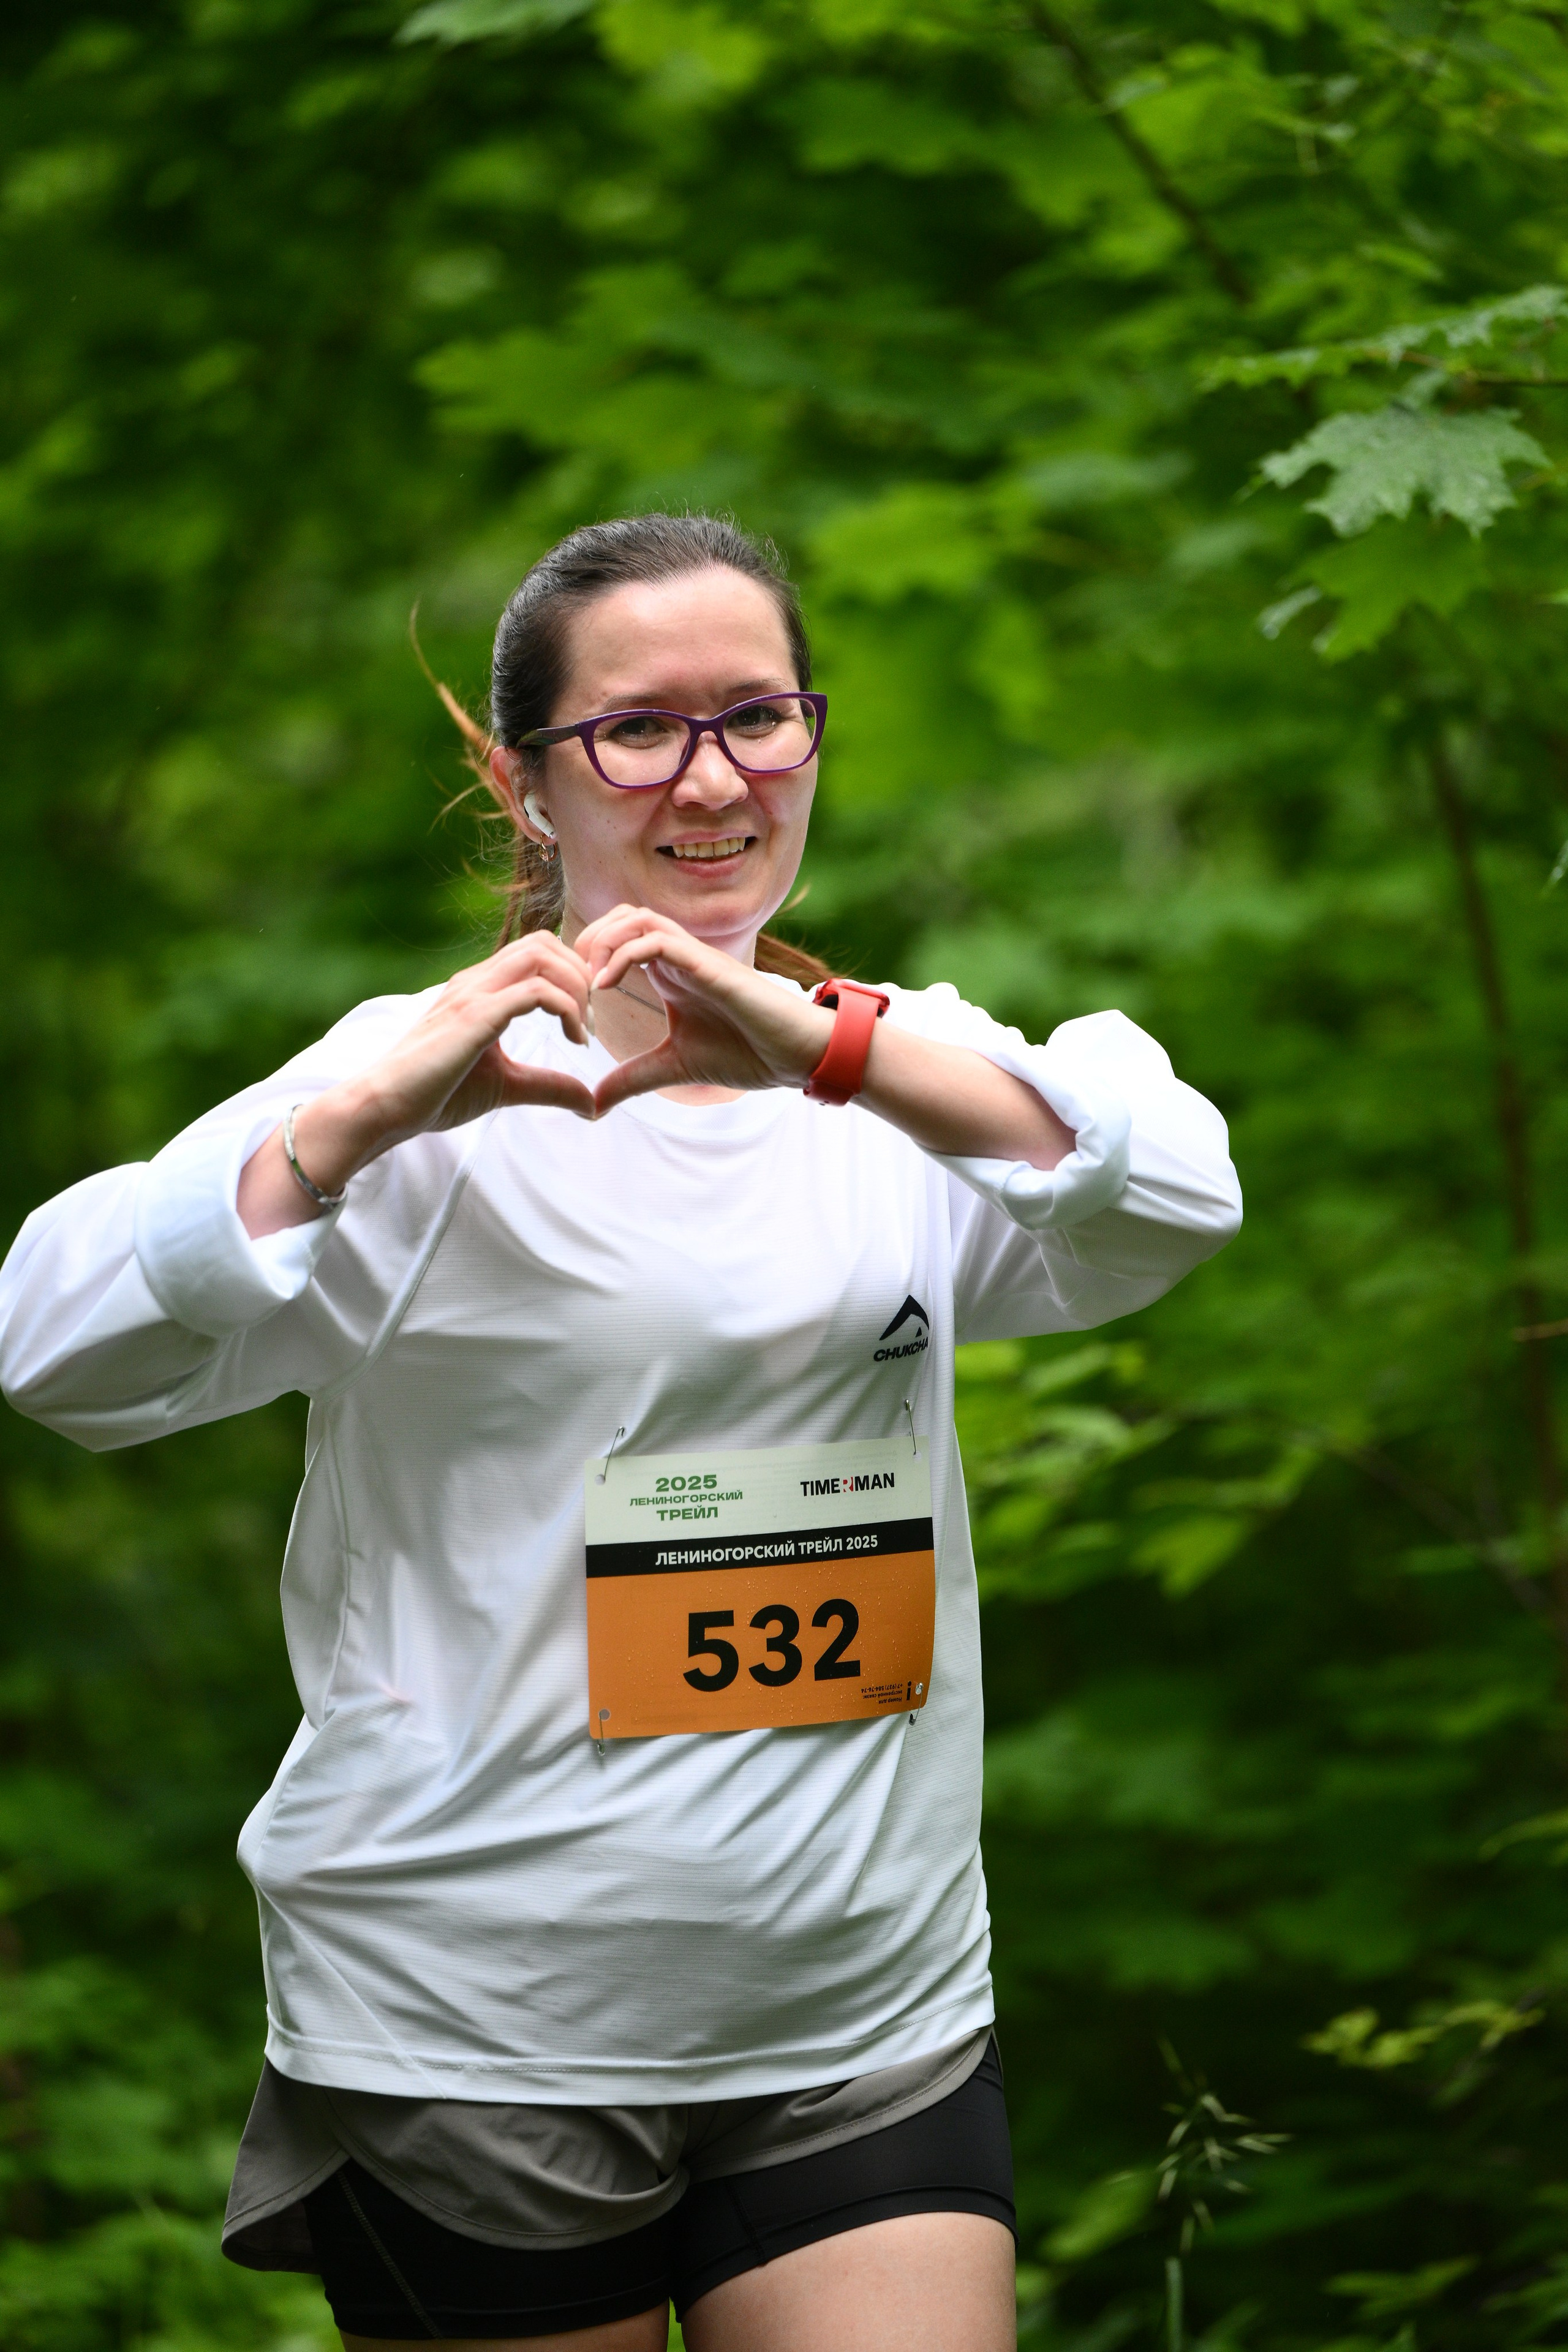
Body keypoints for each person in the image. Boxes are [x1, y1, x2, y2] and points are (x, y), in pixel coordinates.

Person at [0, 513, 1242, 2352]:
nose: (714, 776)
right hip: (478, 2025)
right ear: (526, 783)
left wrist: (830, 1050)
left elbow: (1170, 1194)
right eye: (638, 730)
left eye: (760, 716)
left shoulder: (901, 1079)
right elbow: (56, 1345)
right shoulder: (424, 1082)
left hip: (860, 2010)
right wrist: (354, 1130)